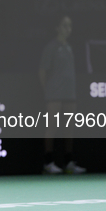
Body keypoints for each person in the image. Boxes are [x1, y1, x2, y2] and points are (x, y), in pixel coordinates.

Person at [39, 15, 86, 175]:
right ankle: (48, 162)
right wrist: (49, 91)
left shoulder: (69, 47)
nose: (68, 29)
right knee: (51, 127)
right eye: (65, 25)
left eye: (70, 26)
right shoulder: (51, 47)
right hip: (54, 95)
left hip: (69, 94)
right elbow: (42, 72)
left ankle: (68, 162)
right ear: (57, 28)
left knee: (69, 128)